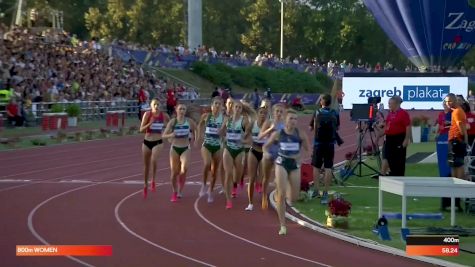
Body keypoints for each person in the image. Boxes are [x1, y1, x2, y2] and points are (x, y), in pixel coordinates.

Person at [263, 109, 310, 235]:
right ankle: (282, 225)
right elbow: (265, 146)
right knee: (282, 194)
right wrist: (266, 153)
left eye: (295, 119)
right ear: (285, 120)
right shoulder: (278, 134)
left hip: (294, 165)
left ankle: (283, 185)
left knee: (293, 198)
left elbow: (308, 149)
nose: (293, 121)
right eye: (291, 118)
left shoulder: (300, 134)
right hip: (281, 163)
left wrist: (300, 156)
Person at [162, 104, 197, 202]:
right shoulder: (173, 122)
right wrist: (171, 134)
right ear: (176, 110)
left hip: (185, 148)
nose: (182, 110)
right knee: (173, 173)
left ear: (185, 111)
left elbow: (196, 129)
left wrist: (195, 139)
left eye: (184, 109)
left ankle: (180, 190)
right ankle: (174, 191)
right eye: (180, 109)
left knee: (184, 169)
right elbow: (163, 135)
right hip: (175, 148)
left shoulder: (189, 121)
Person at [309, 94, 339, 204]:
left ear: (322, 101)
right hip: (330, 144)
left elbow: (310, 127)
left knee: (316, 167)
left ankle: (316, 190)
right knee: (328, 167)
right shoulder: (335, 112)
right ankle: (325, 193)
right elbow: (338, 127)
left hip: (318, 143)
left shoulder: (317, 112)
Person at [222, 100, 252, 209]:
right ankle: (228, 200)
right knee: (228, 173)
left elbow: (249, 138)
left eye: (240, 107)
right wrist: (223, 136)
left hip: (239, 150)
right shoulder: (227, 120)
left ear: (241, 110)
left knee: (239, 174)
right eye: (236, 107)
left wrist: (243, 141)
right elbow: (222, 132)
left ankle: (235, 184)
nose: (237, 109)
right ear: (232, 108)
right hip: (228, 149)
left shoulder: (244, 122)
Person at [139, 98, 170, 199]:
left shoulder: (164, 116)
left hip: (158, 141)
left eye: (158, 104)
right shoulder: (147, 115)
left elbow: (171, 126)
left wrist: (167, 128)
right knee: (146, 165)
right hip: (147, 141)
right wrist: (149, 123)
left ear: (160, 105)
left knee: (154, 159)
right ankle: (145, 185)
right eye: (154, 104)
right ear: (151, 106)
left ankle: (153, 180)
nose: (156, 106)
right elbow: (141, 130)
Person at [258, 103, 286, 209]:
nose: (279, 113)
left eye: (281, 111)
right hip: (268, 151)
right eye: (277, 111)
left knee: (280, 177)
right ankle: (264, 196)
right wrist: (270, 129)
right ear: (273, 112)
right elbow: (260, 136)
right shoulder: (268, 122)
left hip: (279, 152)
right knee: (266, 176)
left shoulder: (284, 124)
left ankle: (279, 197)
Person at [197, 97, 225, 203]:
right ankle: (204, 184)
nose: (217, 106)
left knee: (214, 172)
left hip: (217, 146)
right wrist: (198, 137)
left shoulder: (224, 118)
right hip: (207, 145)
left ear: (222, 106)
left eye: (219, 104)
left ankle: (210, 191)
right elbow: (199, 125)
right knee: (207, 164)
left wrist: (222, 131)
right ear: (212, 105)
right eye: (216, 103)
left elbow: (225, 132)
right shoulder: (206, 116)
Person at [245, 107, 268, 211]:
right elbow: (245, 136)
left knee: (261, 178)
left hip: (264, 153)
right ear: (258, 114)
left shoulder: (269, 126)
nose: (262, 115)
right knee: (252, 178)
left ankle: (264, 197)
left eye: (264, 113)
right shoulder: (252, 124)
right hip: (253, 151)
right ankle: (250, 203)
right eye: (261, 113)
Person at [381, 96, 411, 176]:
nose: (389, 105)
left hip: (399, 138)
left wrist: (406, 140)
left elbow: (408, 127)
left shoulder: (403, 113)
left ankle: (399, 176)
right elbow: (387, 126)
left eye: (390, 103)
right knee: (389, 158)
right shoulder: (390, 114)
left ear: (396, 104)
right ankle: (392, 174)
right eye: (388, 103)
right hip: (389, 139)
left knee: (399, 159)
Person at [446, 93, 468, 180]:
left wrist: (461, 140)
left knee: (457, 164)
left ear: (453, 101)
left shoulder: (457, 111)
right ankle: (456, 189)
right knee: (454, 164)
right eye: (446, 101)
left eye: (449, 101)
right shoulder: (456, 111)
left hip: (456, 140)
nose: (447, 103)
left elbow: (461, 128)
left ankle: (458, 188)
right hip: (456, 140)